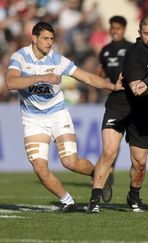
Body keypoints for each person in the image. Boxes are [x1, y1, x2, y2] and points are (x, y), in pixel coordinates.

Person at [5, 22, 124, 212]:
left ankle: (100, 175)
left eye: (52, 38)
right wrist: (41, 77)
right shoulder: (20, 57)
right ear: (34, 39)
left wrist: (112, 86)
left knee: (70, 162)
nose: (50, 42)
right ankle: (67, 200)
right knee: (40, 169)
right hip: (33, 119)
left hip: (57, 114)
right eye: (45, 38)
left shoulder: (57, 60)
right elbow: (11, 82)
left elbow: (87, 77)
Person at [86, 16, 148, 214]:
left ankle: (134, 194)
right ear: (140, 33)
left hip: (143, 113)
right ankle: (94, 199)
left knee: (139, 162)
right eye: (146, 33)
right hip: (119, 106)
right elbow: (137, 89)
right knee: (109, 152)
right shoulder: (132, 54)